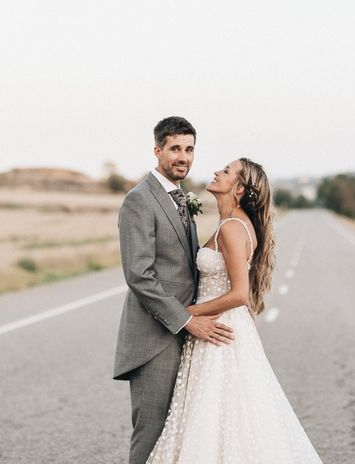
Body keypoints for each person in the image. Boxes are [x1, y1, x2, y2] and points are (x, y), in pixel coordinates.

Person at [146, 158, 323, 463]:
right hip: (222, 326)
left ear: (239, 188)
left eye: (226, 171)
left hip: (218, 330)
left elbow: (240, 293)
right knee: (227, 416)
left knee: (213, 414)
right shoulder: (234, 223)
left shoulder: (231, 227)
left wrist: (189, 311)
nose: (216, 171)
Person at [114, 116, 235, 464]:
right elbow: (139, 275)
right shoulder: (140, 200)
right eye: (175, 149)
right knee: (151, 435)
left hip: (185, 333)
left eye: (189, 149)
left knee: (177, 434)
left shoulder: (180, 197)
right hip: (155, 338)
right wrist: (186, 321)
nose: (183, 156)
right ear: (158, 150)